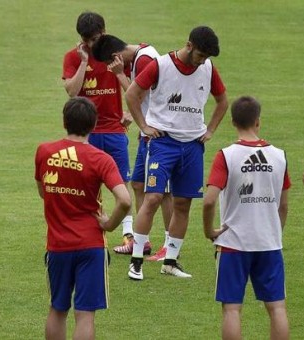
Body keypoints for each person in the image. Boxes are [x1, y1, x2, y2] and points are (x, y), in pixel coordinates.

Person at [125, 26, 228, 280]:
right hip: (163, 143)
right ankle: (136, 262)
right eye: (200, 55)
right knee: (153, 198)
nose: (202, 61)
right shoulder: (161, 65)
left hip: (193, 145)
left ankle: (170, 261)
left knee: (183, 203)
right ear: (189, 45)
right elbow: (132, 94)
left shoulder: (208, 68)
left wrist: (211, 130)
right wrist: (144, 126)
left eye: (206, 57)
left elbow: (223, 100)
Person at [35, 97, 131, 340]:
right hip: (90, 244)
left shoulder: (44, 152)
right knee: (85, 314)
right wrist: (109, 225)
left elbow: (43, 191)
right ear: (94, 124)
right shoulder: (100, 159)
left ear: (64, 121)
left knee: (57, 309)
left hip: (57, 244)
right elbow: (125, 200)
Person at [203, 96, 290, 340]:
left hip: (233, 244)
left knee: (232, 309)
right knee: (277, 307)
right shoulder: (279, 156)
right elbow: (283, 206)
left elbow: (209, 200)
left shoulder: (226, 156)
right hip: (269, 242)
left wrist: (209, 230)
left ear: (232, 122)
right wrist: (274, 231)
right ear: (258, 121)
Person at [62, 11, 140, 255]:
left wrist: (131, 112)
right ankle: (87, 232)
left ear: (104, 33)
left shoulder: (118, 55)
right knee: (86, 184)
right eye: (87, 41)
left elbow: (138, 87)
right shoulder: (73, 57)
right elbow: (72, 91)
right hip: (86, 133)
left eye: (95, 39)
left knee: (121, 183)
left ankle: (129, 237)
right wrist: (84, 62)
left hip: (115, 130)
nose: (92, 45)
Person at [91, 34, 173, 261]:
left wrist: (118, 74)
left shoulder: (145, 60)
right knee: (137, 184)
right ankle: (141, 241)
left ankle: (169, 245)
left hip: (157, 132)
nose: (110, 68)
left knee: (164, 192)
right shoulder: (138, 56)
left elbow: (136, 94)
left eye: (109, 63)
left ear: (115, 57)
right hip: (146, 131)